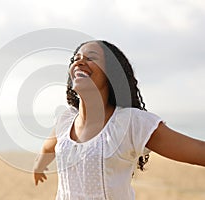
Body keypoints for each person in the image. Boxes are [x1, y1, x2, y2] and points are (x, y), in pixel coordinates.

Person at [33, 40, 205, 200]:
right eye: (76, 58)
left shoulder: (130, 123)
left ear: (112, 74)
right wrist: (39, 165)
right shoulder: (66, 120)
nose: (79, 61)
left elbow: (197, 151)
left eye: (91, 57)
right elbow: (50, 146)